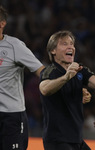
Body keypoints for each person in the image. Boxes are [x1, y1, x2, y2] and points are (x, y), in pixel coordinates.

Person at [39, 30, 95, 150]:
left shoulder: (80, 70)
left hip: (77, 139)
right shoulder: (50, 71)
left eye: (72, 44)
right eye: (64, 44)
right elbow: (44, 89)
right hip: (57, 140)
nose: (70, 46)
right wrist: (66, 77)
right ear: (53, 51)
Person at [0, 5, 44, 150]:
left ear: (2, 23)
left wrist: (68, 86)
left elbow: (41, 71)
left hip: (11, 116)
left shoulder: (15, 46)